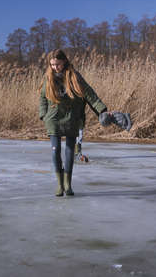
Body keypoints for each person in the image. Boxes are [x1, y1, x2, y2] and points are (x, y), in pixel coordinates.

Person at [39, 49, 108, 196]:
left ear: (64, 61)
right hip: (54, 117)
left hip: (71, 117)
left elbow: (89, 94)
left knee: (70, 150)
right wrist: (43, 115)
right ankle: (59, 184)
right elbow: (43, 97)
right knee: (55, 150)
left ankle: (67, 184)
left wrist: (101, 110)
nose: (55, 68)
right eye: (52, 65)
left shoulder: (74, 76)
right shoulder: (48, 77)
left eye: (57, 64)